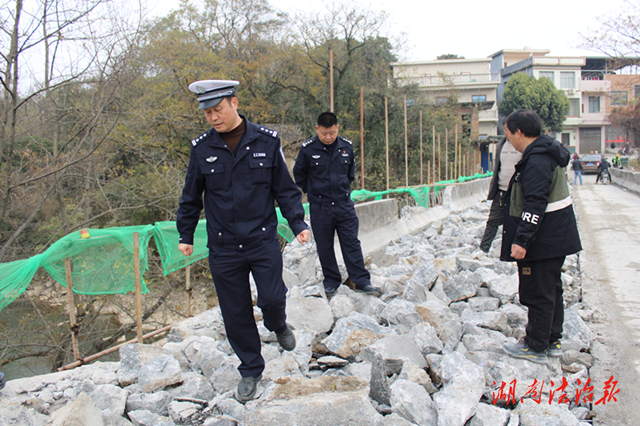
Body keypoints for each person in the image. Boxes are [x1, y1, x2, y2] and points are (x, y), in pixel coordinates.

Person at [177, 79, 311, 402]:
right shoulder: (202, 149)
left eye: (218, 109)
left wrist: (297, 223)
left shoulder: (266, 142)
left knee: (272, 298)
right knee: (235, 312)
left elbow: (285, 189)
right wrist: (185, 233)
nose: (213, 118)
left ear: (234, 103)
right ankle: (251, 368)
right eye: (207, 113)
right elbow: (191, 196)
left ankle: (278, 324)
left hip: (262, 240)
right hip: (223, 248)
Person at [500, 110, 582, 363]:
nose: (508, 140)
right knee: (551, 289)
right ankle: (551, 340)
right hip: (555, 236)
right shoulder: (547, 153)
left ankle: (535, 346)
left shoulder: (536, 160)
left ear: (519, 133)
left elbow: (535, 203)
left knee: (537, 291)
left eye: (507, 134)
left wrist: (521, 240)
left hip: (543, 239)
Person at [293, 112, 380, 298]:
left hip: (343, 205)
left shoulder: (346, 147)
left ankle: (362, 282)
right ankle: (332, 282)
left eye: (332, 133)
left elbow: (350, 175)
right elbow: (299, 175)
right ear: (317, 129)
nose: (328, 137)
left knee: (351, 243)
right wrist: (316, 192)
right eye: (324, 133)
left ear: (337, 128)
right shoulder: (307, 149)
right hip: (320, 206)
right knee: (324, 246)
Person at [479, 136, 522, 253]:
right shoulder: (501, 144)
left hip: (517, 192)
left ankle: (515, 250)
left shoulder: (522, 144)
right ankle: (484, 249)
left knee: (515, 221)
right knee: (493, 220)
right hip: (501, 191)